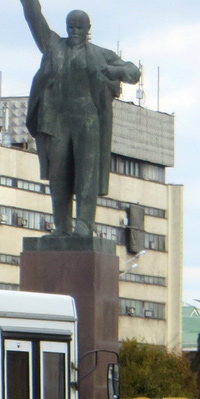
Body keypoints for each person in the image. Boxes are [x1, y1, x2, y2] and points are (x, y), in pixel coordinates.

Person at [19, 0, 140, 238]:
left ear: (88, 29)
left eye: (79, 27)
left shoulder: (100, 55)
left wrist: (114, 71)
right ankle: (62, 226)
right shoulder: (53, 46)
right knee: (59, 175)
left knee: (87, 173)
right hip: (58, 121)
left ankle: (85, 224)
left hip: (88, 120)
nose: (74, 31)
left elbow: (133, 72)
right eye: (70, 26)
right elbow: (34, 17)